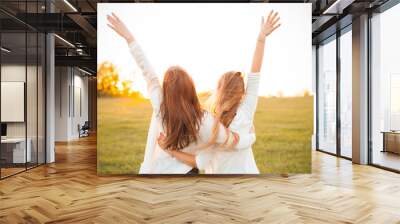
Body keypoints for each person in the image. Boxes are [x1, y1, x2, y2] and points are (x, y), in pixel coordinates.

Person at [107, 13, 256, 174]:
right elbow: (231, 140)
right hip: (187, 175)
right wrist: (251, 138)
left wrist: (129, 37)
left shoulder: (161, 107)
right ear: (191, 89)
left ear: (166, 90)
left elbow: (148, 72)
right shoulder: (204, 120)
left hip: (157, 172)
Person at [158, 11, 281, 174]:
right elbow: (255, 73)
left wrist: (170, 150)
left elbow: (198, 162)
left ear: (218, 91)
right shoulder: (245, 113)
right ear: (242, 94)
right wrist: (261, 38)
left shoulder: (209, 123)